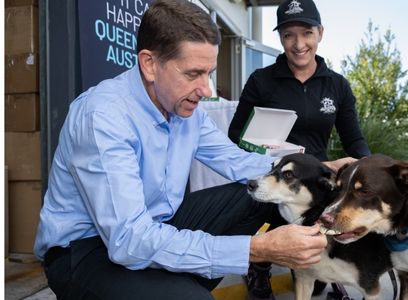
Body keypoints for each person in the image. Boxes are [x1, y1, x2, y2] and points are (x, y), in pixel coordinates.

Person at [33, 1, 343, 299]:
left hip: (158, 225)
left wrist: (319, 170)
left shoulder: (187, 111)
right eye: (193, 74)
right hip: (87, 251)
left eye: (208, 74)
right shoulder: (103, 118)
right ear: (150, 64)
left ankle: (172, 284)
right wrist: (257, 249)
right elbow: (128, 240)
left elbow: (238, 162)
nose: (206, 90)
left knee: (261, 192)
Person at [228, 0, 370, 299]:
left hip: (317, 182)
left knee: (314, 280)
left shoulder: (337, 86)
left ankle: (327, 272)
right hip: (273, 174)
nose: (298, 44)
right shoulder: (261, 81)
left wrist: (370, 170)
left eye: (306, 33)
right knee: (251, 205)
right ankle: (258, 263)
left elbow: (355, 141)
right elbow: (235, 135)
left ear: (320, 33)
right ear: (280, 39)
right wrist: (265, 152)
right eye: (288, 35)